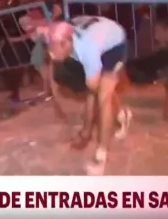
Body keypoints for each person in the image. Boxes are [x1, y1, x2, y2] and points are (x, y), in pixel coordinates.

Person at [47, 15, 132, 176]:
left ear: (66, 44)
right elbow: (54, 72)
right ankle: (122, 114)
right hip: (98, 35)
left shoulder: (88, 50)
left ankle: (101, 156)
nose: (50, 54)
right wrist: (57, 103)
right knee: (99, 87)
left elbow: (91, 94)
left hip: (114, 46)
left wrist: (86, 132)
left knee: (102, 99)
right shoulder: (61, 38)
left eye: (53, 50)